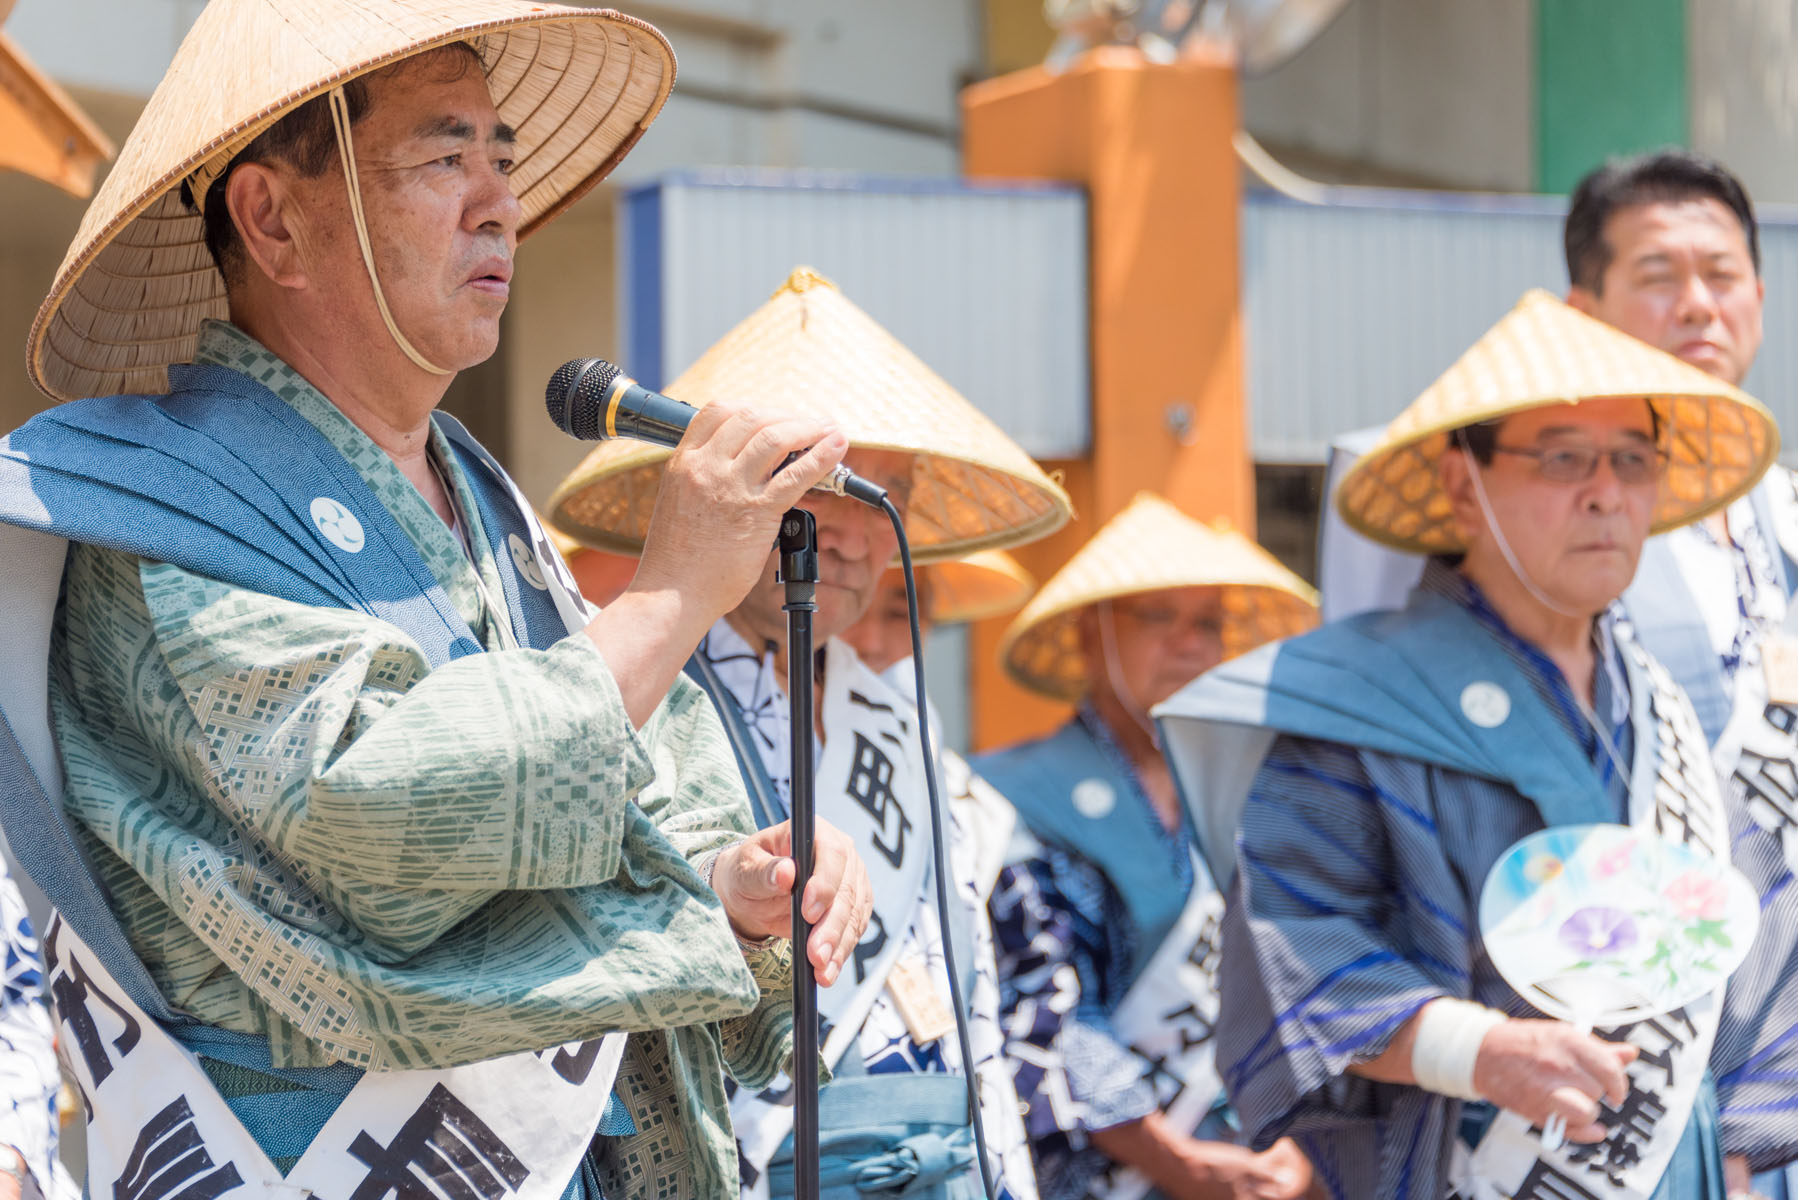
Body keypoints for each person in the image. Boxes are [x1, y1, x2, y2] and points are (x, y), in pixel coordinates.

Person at [0, 3, 875, 1197]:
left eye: (503, 162)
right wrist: (669, 594)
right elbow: (372, 817)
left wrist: (735, 885)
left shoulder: (491, 503)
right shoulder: (155, 506)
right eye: (445, 158)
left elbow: (645, 795)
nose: (499, 202)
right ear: (272, 219)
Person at [1158, 289, 1798, 1199]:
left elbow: (1759, 941)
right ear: (1466, 484)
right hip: (1465, 1167)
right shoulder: (1357, 702)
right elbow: (1296, 944)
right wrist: (1481, 1050)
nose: (1606, 493)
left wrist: (1730, 1156)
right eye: (1565, 458)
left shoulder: (1662, 710)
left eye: (1632, 459)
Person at [548, 266, 1073, 1200]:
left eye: (879, 498)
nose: (849, 534)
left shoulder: (900, 713)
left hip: (939, 1144)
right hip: (751, 1146)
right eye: (813, 487)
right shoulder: (640, 682)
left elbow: (966, 969)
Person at [972, 494, 1318, 1200]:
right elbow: (1046, 1005)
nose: (1190, 644)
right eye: (1160, 617)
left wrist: (1305, 1142)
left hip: (1253, 1155)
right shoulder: (1014, 800)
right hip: (1100, 1170)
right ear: (1088, 635)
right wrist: (1176, 1161)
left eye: (1209, 623)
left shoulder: (1252, 794)